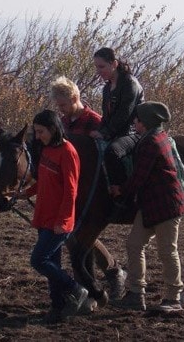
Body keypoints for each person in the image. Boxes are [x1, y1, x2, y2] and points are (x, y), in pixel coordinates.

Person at [49, 75, 127, 299]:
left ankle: (109, 275)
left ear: (75, 98)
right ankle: (99, 279)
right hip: (72, 188)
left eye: (63, 105)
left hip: (91, 191)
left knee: (79, 239)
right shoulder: (63, 124)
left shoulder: (94, 121)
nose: (61, 110)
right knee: (76, 238)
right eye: (58, 106)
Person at [111, 101, 184, 313]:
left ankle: (174, 298)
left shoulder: (150, 143)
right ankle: (136, 294)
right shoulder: (157, 138)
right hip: (152, 205)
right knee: (134, 244)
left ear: (144, 122)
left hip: (165, 205)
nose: (134, 122)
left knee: (167, 251)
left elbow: (138, 177)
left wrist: (121, 190)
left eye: (137, 119)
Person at [22, 109, 89, 324]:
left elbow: (71, 190)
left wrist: (63, 220)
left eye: (41, 131)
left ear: (52, 129)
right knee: (52, 263)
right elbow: (42, 181)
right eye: (36, 131)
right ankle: (57, 306)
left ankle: (76, 289)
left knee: (38, 260)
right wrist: (23, 193)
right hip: (44, 216)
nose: (38, 136)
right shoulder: (47, 150)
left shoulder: (68, 152)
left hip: (59, 220)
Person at [90, 47, 144, 201]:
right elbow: (106, 117)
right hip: (117, 132)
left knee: (113, 151)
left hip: (133, 133)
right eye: (96, 67)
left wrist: (104, 134)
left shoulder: (129, 83)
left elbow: (124, 115)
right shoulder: (107, 88)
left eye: (101, 66)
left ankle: (122, 192)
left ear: (113, 64)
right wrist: (98, 131)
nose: (98, 71)